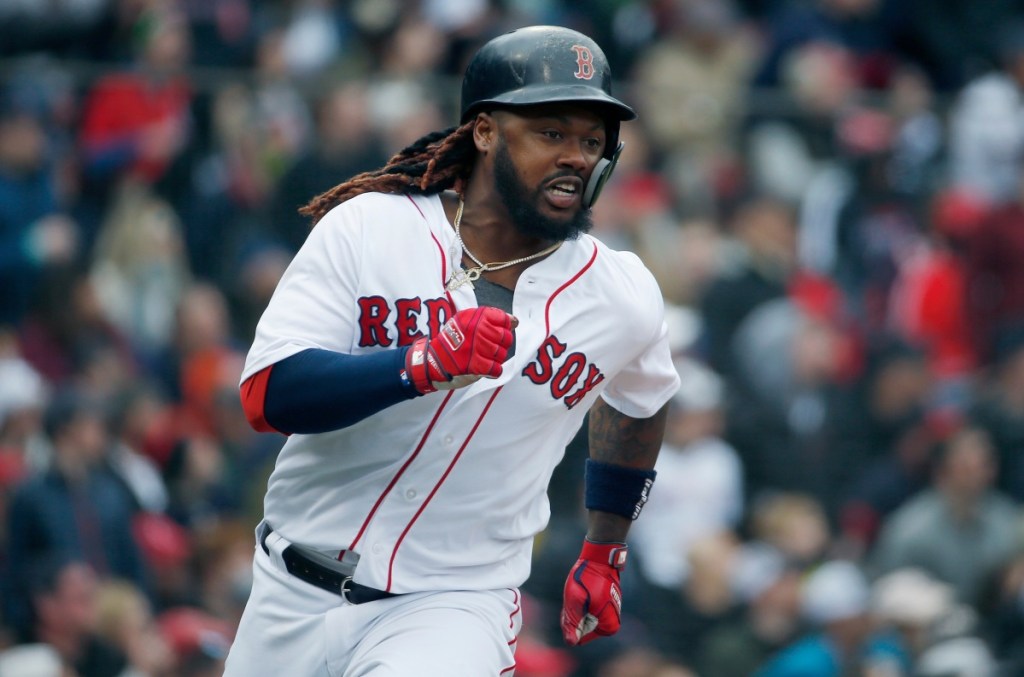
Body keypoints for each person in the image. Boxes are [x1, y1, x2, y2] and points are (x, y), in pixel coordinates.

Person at [223, 24, 680, 677]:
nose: (577, 157)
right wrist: (417, 365)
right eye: (551, 132)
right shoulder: (370, 227)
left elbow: (642, 400)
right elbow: (266, 396)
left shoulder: (622, 295)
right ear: (485, 131)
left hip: (453, 606)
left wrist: (606, 548)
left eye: (591, 140)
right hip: (289, 592)